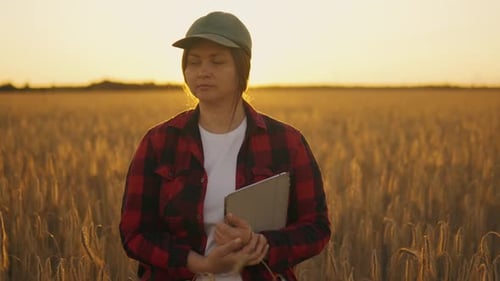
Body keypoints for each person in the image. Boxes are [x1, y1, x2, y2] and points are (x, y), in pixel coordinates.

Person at [119, 11, 331, 281]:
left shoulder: (286, 143)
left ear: (242, 68)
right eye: (193, 62)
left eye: (217, 62)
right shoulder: (159, 142)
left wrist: (263, 244)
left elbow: (316, 226)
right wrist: (199, 263)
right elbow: (134, 232)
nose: (203, 71)